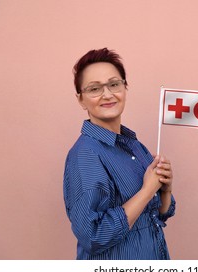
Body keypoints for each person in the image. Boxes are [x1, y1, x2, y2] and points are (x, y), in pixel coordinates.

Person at [63, 48, 176, 260]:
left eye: (114, 84)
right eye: (94, 89)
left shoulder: (135, 146)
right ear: (80, 100)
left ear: (125, 88)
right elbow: (93, 236)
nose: (107, 95)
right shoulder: (85, 156)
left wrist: (165, 190)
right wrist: (147, 190)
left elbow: (158, 215)